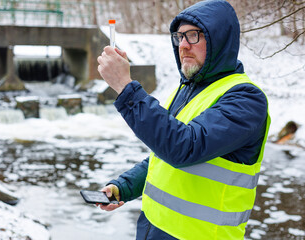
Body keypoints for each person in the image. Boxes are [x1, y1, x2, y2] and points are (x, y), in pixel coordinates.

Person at [96, 0, 271, 239]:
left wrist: (125, 88)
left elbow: (183, 148)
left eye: (194, 36)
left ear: (219, 41)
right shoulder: (188, 90)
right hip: (152, 229)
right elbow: (162, 156)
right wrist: (125, 186)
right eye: (180, 37)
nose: (184, 45)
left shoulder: (246, 99)